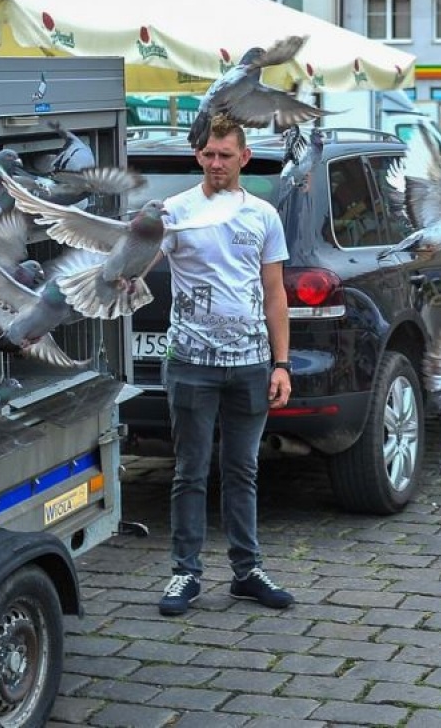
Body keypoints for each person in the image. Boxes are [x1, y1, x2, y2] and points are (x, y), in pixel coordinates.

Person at [156, 112, 295, 616]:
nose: (215, 163)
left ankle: (247, 571)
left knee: (243, 469)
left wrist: (282, 364)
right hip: (191, 361)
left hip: (251, 364)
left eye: (224, 155)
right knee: (190, 471)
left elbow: (275, 294)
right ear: (198, 156)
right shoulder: (173, 211)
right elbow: (139, 264)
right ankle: (184, 574)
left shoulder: (262, 215)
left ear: (244, 158)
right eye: (208, 154)